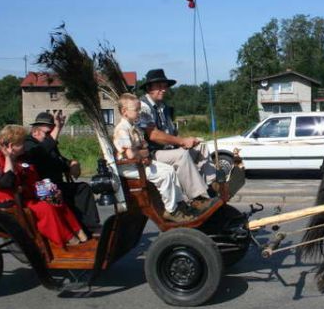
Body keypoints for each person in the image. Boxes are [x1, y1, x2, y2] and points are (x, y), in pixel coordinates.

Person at [0, 124, 88, 247]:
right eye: (22, 143)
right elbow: (7, 183)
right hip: (8, 203)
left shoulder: (21, 159)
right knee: (46, 208)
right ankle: (68, 239)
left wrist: (51, 191)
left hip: (23, 197)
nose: (25, 145)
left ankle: (80, 235)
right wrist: (8, 157)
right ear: (11, 146)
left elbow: (33, 180)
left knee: (56, 200)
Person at [137, 68, 218, 212]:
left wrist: (187, 140)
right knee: (181, 155)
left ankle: (212, 185)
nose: (164, 89)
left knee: (201, 146)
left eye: (165, 86)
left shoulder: (163, 107)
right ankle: (197, 198)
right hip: (152, 153)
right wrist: (181, 142)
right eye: (159, 86)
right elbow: (153, 135)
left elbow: (171, 133)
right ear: (149, 88)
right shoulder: (143, 107)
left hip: (168, 150)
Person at [113, 93, 194, 223]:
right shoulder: (122, 129)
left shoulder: (134, 128)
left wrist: (142, 154)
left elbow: (144, 148)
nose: (139, 113)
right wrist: (142, 154)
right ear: (124, 111)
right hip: (129, 167)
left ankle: (179, 203)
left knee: (169, 170)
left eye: (140, 109)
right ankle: (171, 210)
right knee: (164, 175)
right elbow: (130, 155)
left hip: (139, 163)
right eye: (136, 110)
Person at [24, 111, 101, 234]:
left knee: (82, 188)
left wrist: (72, 163)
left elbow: (58, 160)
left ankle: (90, 226)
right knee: (74, 191)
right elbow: (40, 153)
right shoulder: (29, 145)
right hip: (40, 189)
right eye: (48, 133)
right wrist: (57, 129)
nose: (51, 136)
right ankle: (81, 229)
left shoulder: (48, 144)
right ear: (35, 132)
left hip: (56, 185)